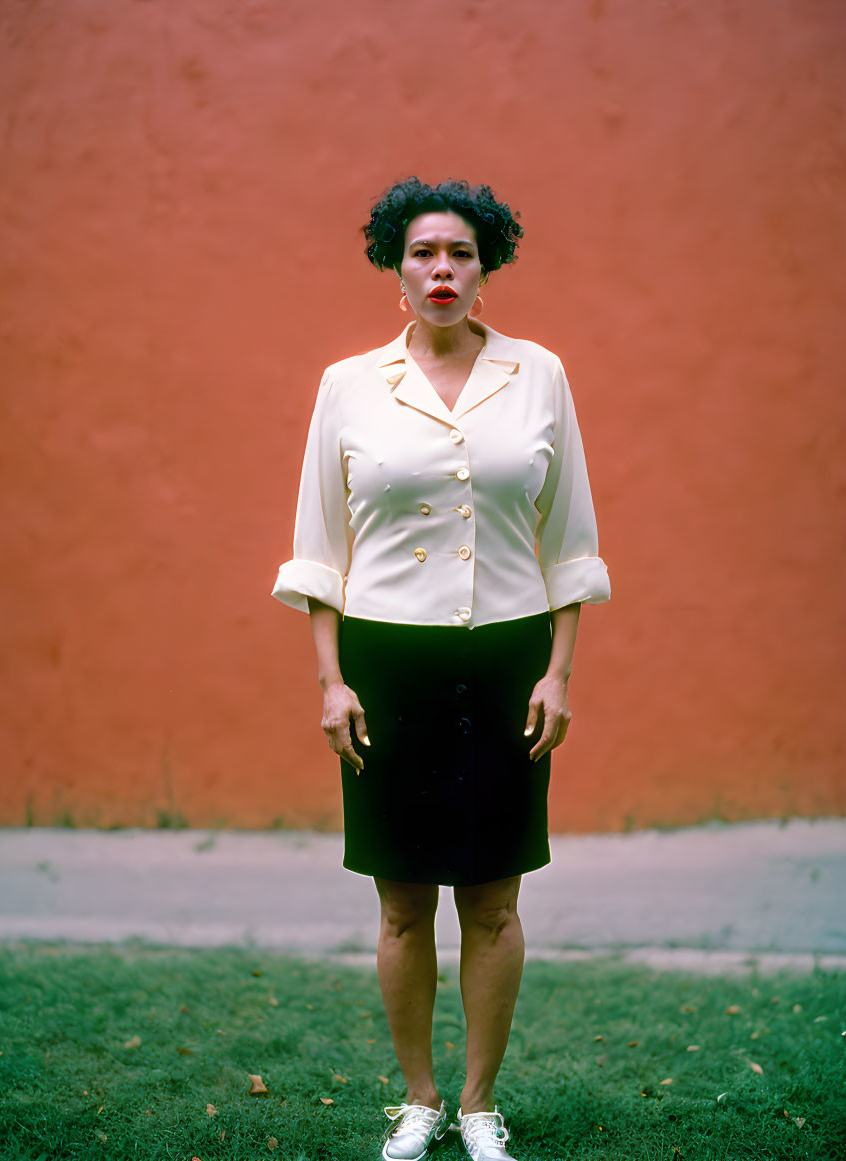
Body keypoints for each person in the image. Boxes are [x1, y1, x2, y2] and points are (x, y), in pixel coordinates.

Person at [272, 177, 610, 1161]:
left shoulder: (538, 375)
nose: (442, 270)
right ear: (396, 267)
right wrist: (331, 681)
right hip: (386, 661)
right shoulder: (349, 386)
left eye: (461, 253)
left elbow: (571, 542)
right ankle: (418, 1100)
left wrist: (558, 674)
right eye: (424, 253)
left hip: (507, 660)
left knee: (496, 900)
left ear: (485, 265)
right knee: (400, 900)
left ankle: (478, 1104)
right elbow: (318, 546)